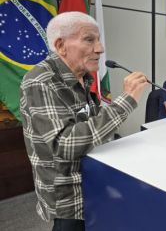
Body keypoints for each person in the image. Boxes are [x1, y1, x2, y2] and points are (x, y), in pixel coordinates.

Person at [19, 12, 148, 231]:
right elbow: (64, 144)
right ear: (61, 45)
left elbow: (93, 126)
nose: (100, 48)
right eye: (89, 39)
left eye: (98, 40)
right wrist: (124, 103)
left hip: (93, 182)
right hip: (68, 197)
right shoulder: (40, 82)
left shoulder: (84, 77)